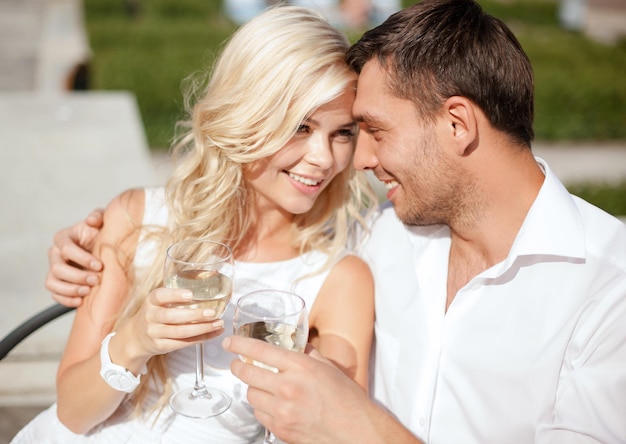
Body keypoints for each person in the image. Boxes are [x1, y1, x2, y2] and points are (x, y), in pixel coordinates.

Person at [45, 0, 626, 442]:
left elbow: (329, 376)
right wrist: (93, 267)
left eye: (359, 131)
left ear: (457, 125)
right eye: (301, 126)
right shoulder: (387, 232)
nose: (348, 161)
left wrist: (352, 417)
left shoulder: (608, 288)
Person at [14, 5, 377, 443]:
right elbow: (72, 413)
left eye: (342, 133)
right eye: (301, 126)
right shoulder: (137, 219)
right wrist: (134, 341)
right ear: (246, 116)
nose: (324, 157)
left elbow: (335, 430)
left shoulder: (336, 279)